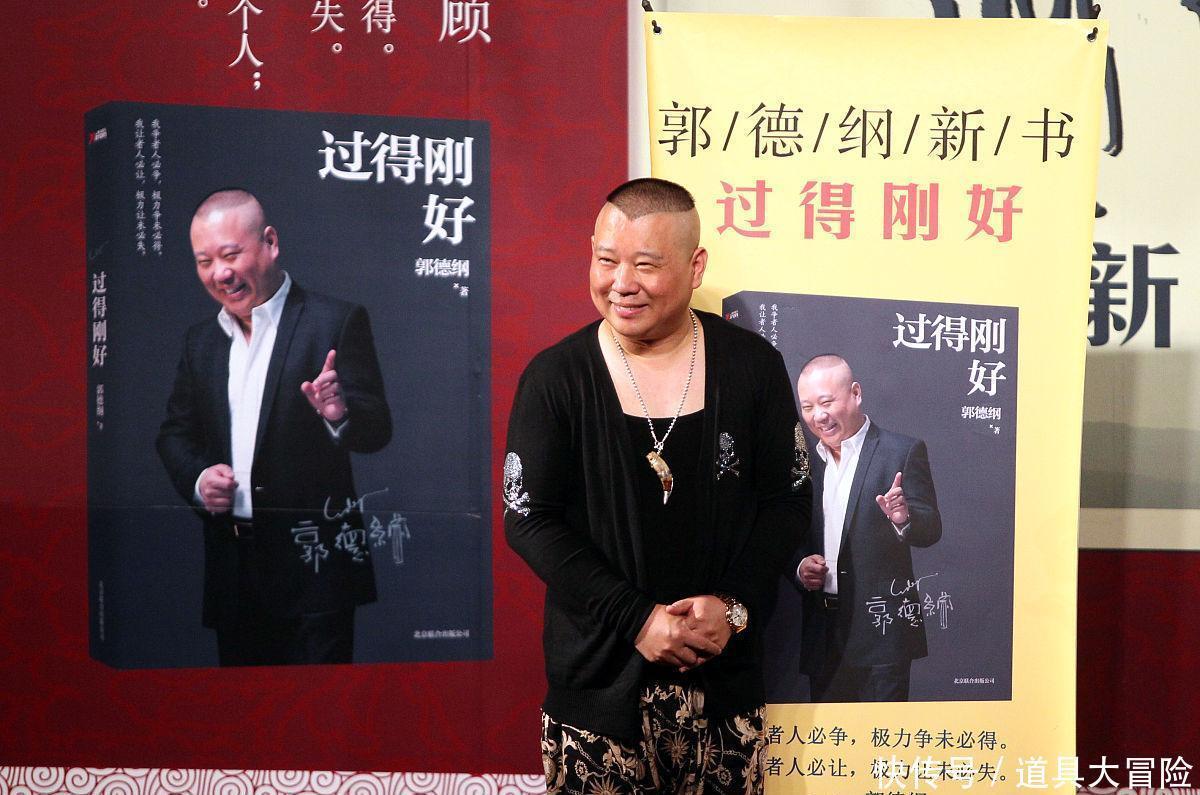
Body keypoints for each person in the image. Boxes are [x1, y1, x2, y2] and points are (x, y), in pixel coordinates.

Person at [503, 177, 811, 793]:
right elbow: (529, 518)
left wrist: (733, 607)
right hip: (596, 695)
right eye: (606, 260)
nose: (621, 283)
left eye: (646, 265)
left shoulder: (752, 366)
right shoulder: (556, 378)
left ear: (695, 267)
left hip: (725, 692)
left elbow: (787, 501)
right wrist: (638, 620)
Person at [157, 188, 392, 666]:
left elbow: (377, 429)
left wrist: (339, 413)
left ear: (270, 242)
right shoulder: (200, 342)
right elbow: (175, 434)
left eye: (230, 255)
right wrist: (199, 479)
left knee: (320, 709)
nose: (219, 273)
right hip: (233, 573)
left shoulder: (334, 321)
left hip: (316, 571)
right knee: (244, 710)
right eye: (204, 261)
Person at [793, 354, 941, 702]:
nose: (818, 416)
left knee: (882, 736)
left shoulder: (900, 451)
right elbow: (787, 530)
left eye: (827, 402)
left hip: (882, 635)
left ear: (856, 394)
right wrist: (799, 566)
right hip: (823, 634)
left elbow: (931, 528)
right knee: (830, 737)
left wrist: (903, 518)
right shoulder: (803, 460)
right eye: (808, 407)